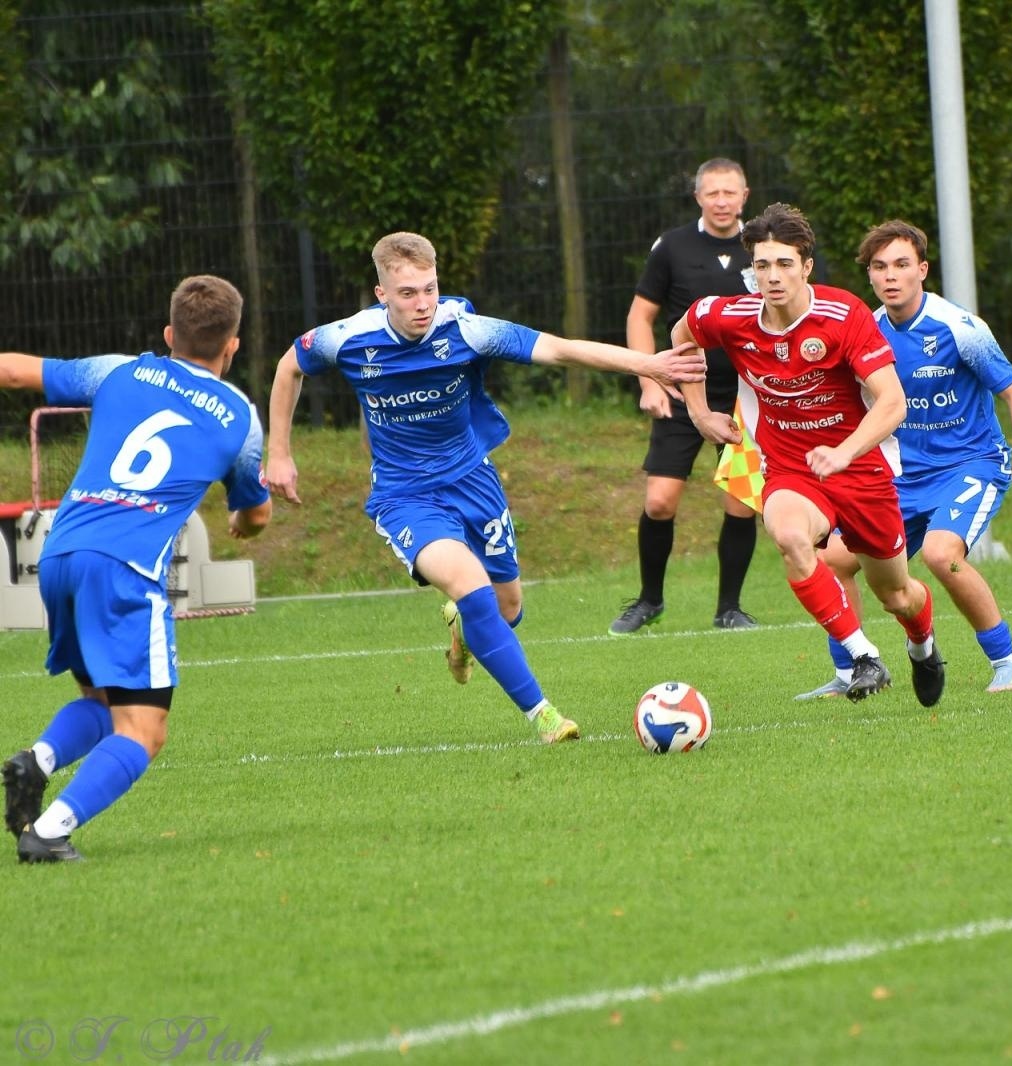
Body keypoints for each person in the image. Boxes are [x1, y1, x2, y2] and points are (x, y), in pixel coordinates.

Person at [265, 231, 704, 744]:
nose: (422, 304)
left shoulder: (468, 330)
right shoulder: (346, 338)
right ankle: (544, 716)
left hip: (474, 482)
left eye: (429, 289)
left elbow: (559, 350)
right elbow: (288, 367)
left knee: (508, 606)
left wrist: (648, 365)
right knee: (472, 590)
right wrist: (279, 452)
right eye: (407, 293)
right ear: (381, 293)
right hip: (405, 498)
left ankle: (464, 637)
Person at [0, 275, 274, 863]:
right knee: (144, 730)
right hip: (124, 571)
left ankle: (37, 761)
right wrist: (244, 525)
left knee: (103, 702)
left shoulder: (121, 370)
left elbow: (15, 371)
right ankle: (48, 833)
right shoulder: (241, 418)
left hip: (60, 552)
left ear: (170, 333)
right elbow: (255, 512)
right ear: (233, 345)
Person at [674, 203, 945, 707]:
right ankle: (863, 656)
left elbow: (892, 403)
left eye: (783, 264)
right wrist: (699, 412)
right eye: (761, 265)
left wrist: (844, 452)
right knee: (790, 536)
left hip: (861, 469)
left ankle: (923, 646)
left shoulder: (843, 315)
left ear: (806, 266)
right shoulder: (727, 316)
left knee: (897, 595)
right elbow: (680, 337)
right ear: (751, 270)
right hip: (792, 470)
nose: (772, 276)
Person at [794, 220, 1012, 700]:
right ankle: (851, 671)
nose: (890, 276)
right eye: (879, 267)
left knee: (940, 555)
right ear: (869, 275)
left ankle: (1006, 662)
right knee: (833, 560)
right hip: (901, 477)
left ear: (922, 270)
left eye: (902, 265)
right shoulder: (863, 331)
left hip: (970, 464)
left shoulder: (959, 328)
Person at [611, 158, 761, 636]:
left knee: (741, 502)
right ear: (698, 196)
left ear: (745, 195)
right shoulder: (672, 247)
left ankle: (729, 609)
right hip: (681, 390)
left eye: (730, 192)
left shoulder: (761, 248)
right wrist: (649, 379)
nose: (721, 201)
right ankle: (649, 601)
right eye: (712, 192)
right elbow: (640, 317)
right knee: (660, 501)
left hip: (746, 395)